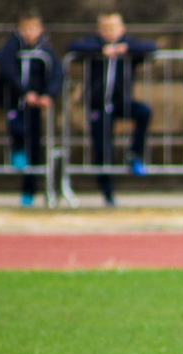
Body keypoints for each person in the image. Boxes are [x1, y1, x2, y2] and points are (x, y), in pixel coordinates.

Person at [67, 12, 156, 207]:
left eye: (114, 27)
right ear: (100, 30)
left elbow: (152, 47)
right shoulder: (94, 45)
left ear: (122, 29)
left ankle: (134, 154)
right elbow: (73, 47)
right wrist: (101, 50)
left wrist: (126, 49)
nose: (110, 32)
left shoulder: (128, 45)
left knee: (144, 112)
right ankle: (107, 193)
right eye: (106, 28)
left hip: (121, 102)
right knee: (103, 148)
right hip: (98, 104)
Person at [0, 9, 64, 208]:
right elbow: (5, 64)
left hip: (35, 105)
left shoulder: (46, 48)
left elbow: (57, 72)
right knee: (17, 129)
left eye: (34, 28)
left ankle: (30, 190)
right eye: (26, 28)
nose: (30, 33)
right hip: (14, 101)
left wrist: (49, 95)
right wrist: (24, 91)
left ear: (41, 29)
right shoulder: (12, 45)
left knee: (35, 146)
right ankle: (17, 150)